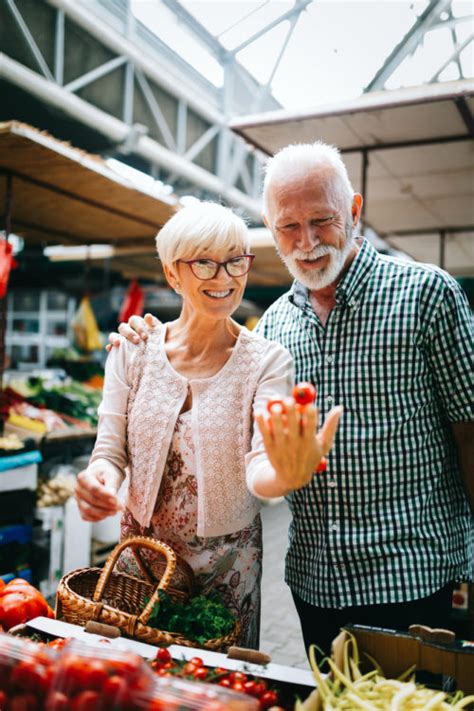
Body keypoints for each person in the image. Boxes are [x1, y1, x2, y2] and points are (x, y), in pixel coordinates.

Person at [110, 142, 473, 658]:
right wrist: (143, 337)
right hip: (315, 582)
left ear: (353, 210)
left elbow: (469, 430)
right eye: (288, 227)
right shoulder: (274, 327)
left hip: (413, 573)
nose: (307, 242)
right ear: (269, 226)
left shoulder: (425, 295)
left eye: (323, 221)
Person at [76, 200, 342, 649]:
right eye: (204, 263)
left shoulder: (267, 361)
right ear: (172, 272)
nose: (225, 278)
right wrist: (98, 481)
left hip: (227, 572)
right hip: (139, 563)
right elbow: (109, 452)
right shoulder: (132, 350)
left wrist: (286, 475)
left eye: (236, 260)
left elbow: (260, 463)